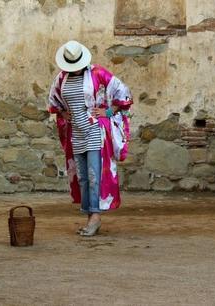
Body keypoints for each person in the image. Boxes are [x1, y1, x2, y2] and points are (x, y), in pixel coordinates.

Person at [47, 40, 133, 236]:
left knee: (95, 176)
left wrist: (109, 111)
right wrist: (62, 114)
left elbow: (124, 93)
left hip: (95, 131)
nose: (74, 69)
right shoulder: (61, 78)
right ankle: (89, 215)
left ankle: (95, 217)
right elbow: (53, 102)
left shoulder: (97, 73)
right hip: (76, 133)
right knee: (83, 178)